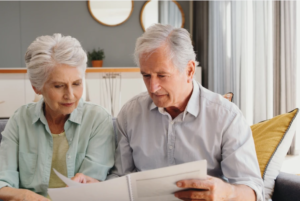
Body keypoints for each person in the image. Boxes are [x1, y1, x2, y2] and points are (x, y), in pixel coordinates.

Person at [73, 24, 264, 201]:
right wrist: (97, 187)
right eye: (146, 76)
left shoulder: (226, 117)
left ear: (189, 70)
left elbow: (253, 190)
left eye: (162, 75)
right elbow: (121, 177)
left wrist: (227, 192)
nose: (153, 87)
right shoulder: (131, 113)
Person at [0, 34, 115, 201]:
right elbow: (3, 181)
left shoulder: (98, 119)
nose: (70, 95)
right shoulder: (20, 120)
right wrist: (24, 195)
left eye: (76, 83)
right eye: (59, 86)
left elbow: (92, 183)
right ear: (36, 87)